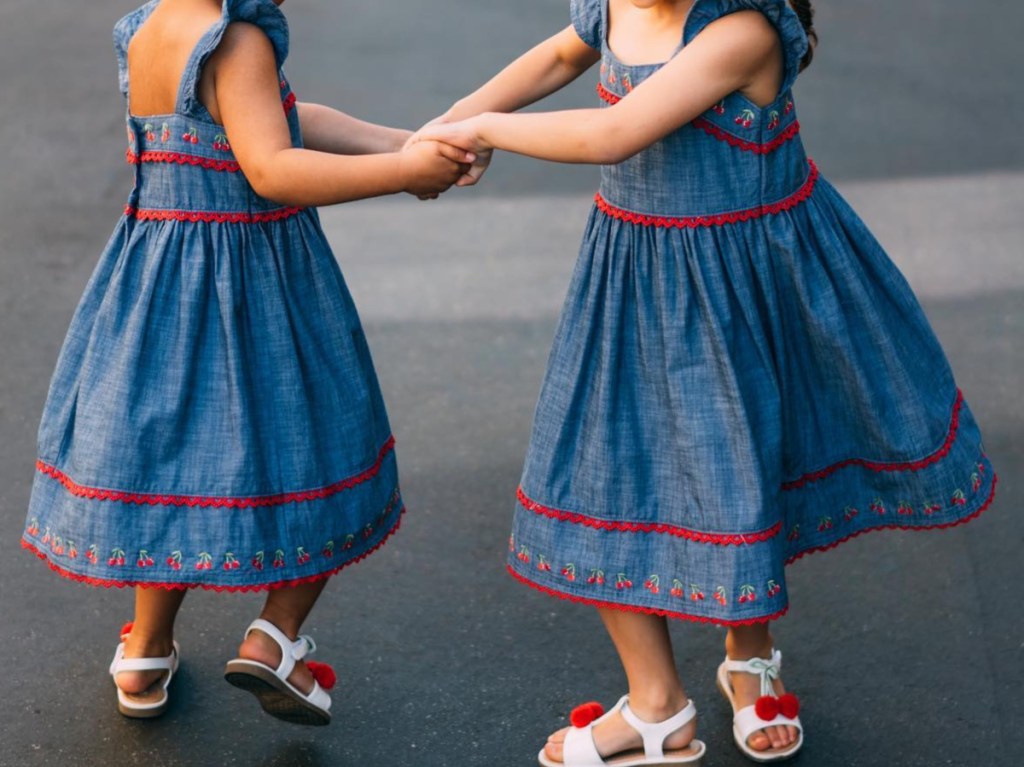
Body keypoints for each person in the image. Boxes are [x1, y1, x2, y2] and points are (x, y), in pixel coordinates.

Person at [413, 0, 997, 763]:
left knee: (741, 471)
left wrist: (483, 131)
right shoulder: (617, 6)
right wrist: (449, 121)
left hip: (740, 288)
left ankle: (748, 652)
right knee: (603, 476)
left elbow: (610, 133)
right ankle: (656, 701)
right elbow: (558, 58)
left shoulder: (741, 31)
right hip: (634, 274)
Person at [19, 0, 472, 726]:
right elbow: (272, 167)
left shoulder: (149, 26)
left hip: (160, 280)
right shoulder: (240, 39)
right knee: (319, 442)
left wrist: (403, 142)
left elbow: (278, 115)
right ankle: (274, 638)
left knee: (173, 462)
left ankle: (146, 648)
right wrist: (401, 175)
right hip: (254, 279)